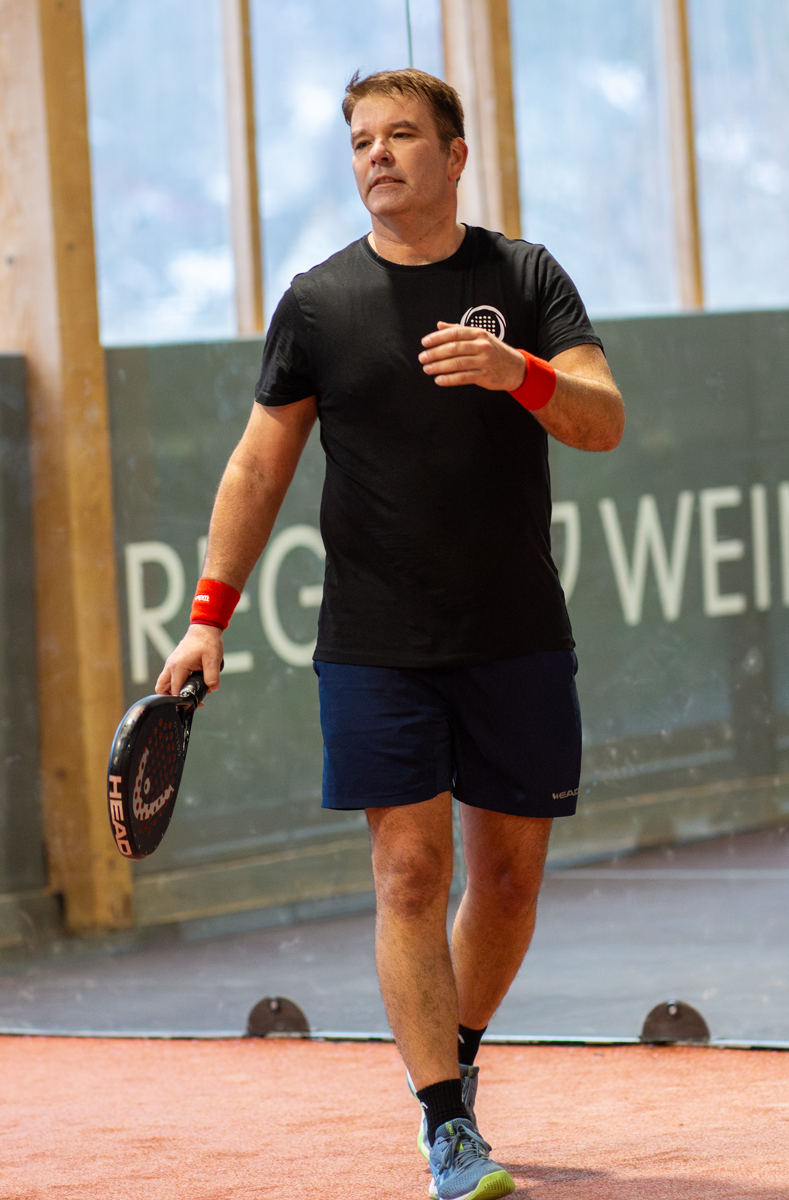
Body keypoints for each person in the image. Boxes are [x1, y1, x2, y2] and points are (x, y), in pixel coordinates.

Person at [158, 67, 624, 1200]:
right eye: (361, 138)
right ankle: (444, 1124)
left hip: (516, 632)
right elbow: (258, 465)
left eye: (402, 136)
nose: (377, 155)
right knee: (409, 871)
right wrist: (205, 616)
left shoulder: (522, 277)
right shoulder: (318, 303)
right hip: (373, 644)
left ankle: (449, 1061)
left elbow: (601, 420)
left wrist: (516, 373)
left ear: (452, 155)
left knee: (506, 883)